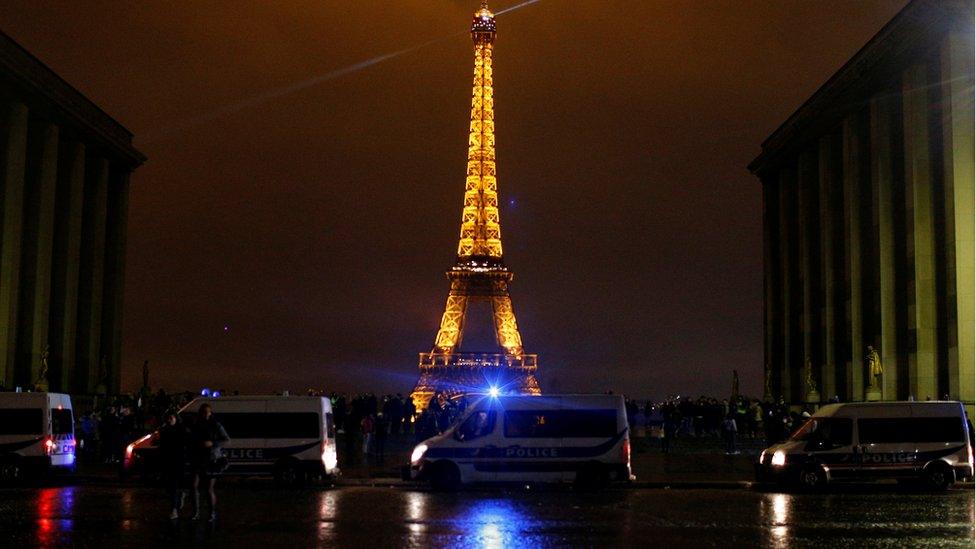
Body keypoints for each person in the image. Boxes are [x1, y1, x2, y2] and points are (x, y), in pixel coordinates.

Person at [189, 404, 229, 522]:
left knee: (208, 488)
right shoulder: (196, 425)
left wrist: (212, 443)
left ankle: (212, 513)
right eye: (203, 412)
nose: (205, 414)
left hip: (211, 459)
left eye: (207, 412)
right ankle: (196, 512)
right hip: (197, 458)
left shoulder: (216, 425)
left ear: (210, 413)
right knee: (193, 486)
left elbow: (226, 440)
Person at [159, 411, 187, 520]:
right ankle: (176, 504)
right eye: (168, 418)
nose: (169, 420)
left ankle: (175, 507)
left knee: (174, 486)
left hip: (178, 461)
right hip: (168, 461)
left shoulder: (181, 430)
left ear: (176, 418)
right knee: (171, 487)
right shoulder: (164, 430)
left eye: (171, 418)